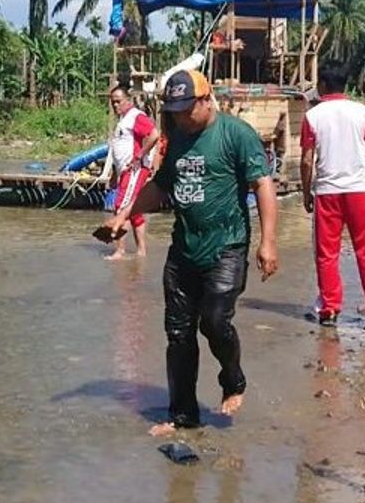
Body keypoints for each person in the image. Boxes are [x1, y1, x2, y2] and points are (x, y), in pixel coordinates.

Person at [100, 69, 279, 436]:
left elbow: (262, 183)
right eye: (174, 110)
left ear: (205, 99)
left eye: (186, 109)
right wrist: (123, 216)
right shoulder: (176, 138)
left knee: (213, 321)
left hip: (226, 246)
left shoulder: (235, 134)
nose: (180, 116)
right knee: (178, 334)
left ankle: (233, 379)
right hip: (184, 249)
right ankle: (183, 416)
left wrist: (268, 241)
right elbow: (160, 187)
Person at [300, 65, 365, 329]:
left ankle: (330, 309)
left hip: (327, 192)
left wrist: (306, 192)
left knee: (326, 254)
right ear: (345, 85)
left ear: (322, 85)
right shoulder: (363, 112)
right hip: (358, 190)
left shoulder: (313, 117)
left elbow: (306, 160)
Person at [106, 87, 160, 260]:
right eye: (112, 101)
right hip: (124, 172)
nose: (115, 105)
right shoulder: (122, 121)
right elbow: (118, 151)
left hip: (135, 170)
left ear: (127, 100)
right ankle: (141, 252)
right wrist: (115, 175)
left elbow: (154, 134)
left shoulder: (135, 116)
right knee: (134, 211)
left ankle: (120, 252)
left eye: (118, 101)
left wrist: (140, 154)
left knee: (121, 207)